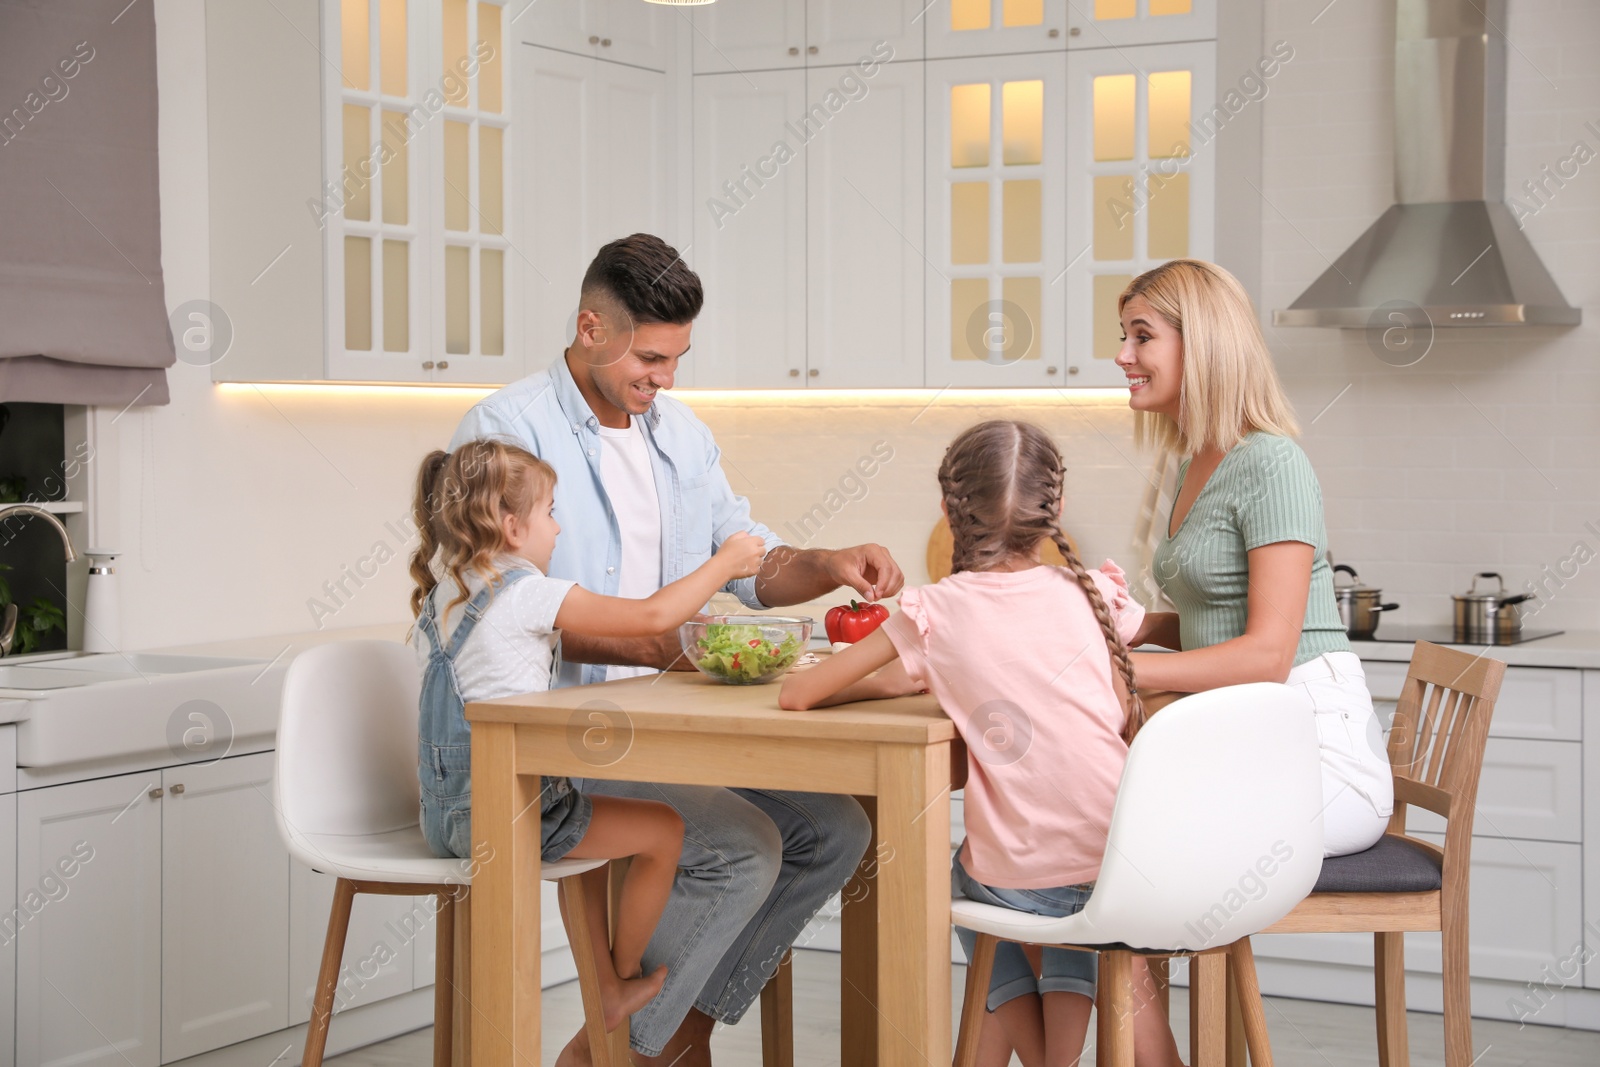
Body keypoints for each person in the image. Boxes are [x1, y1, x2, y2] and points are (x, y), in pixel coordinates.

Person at [450, 233, 893, 1066]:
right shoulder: (507, 428)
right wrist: (652, 641)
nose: (665, 379)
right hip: (562, 734)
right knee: (747, 845)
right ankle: (629, 1050)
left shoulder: (681, 434)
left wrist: (827, 564)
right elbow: (491, 608)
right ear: (591, 329)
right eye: (649, 358)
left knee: (835, 829)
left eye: (677, 358)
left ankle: (662, 1034)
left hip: (671, 720)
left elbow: (753, 565)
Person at [779, 420, 1186, 1067]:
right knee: (1053, 891)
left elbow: (799, 694)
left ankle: (1051, 1052)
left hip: (1027, 886)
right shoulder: (1094, 591)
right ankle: (1065, 1033)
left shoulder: (936, 608)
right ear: (1053, 508)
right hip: (1129, 863)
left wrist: (894, 677)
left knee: (969, 876)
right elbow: (1152, 632)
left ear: (949, 510)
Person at [407, 440, 766, 1056]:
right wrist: (725, 562)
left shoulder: (444, 596)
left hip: (443, 816)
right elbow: (653, 617)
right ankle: (620, 987)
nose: (557, 526)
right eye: (548, 512)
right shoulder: (526, 592)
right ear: (511, 526)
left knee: (597, 819)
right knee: (663, 832)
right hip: (511, 817)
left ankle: (604, 986)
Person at [1114, 258, 1394, 858]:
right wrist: (1138, 629)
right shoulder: (1194, 463)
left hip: (1322, 761)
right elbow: (1221, 623)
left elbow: (1268, 654)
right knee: (1076, 828)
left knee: (1136, 837)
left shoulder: (1271, 463)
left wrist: (1129, 675)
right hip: (1254, 740)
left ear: (1204, 346)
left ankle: (1135, 956)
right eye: (1125, 337)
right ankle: (1122, 954)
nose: (1123, 356)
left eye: (1143, 336)